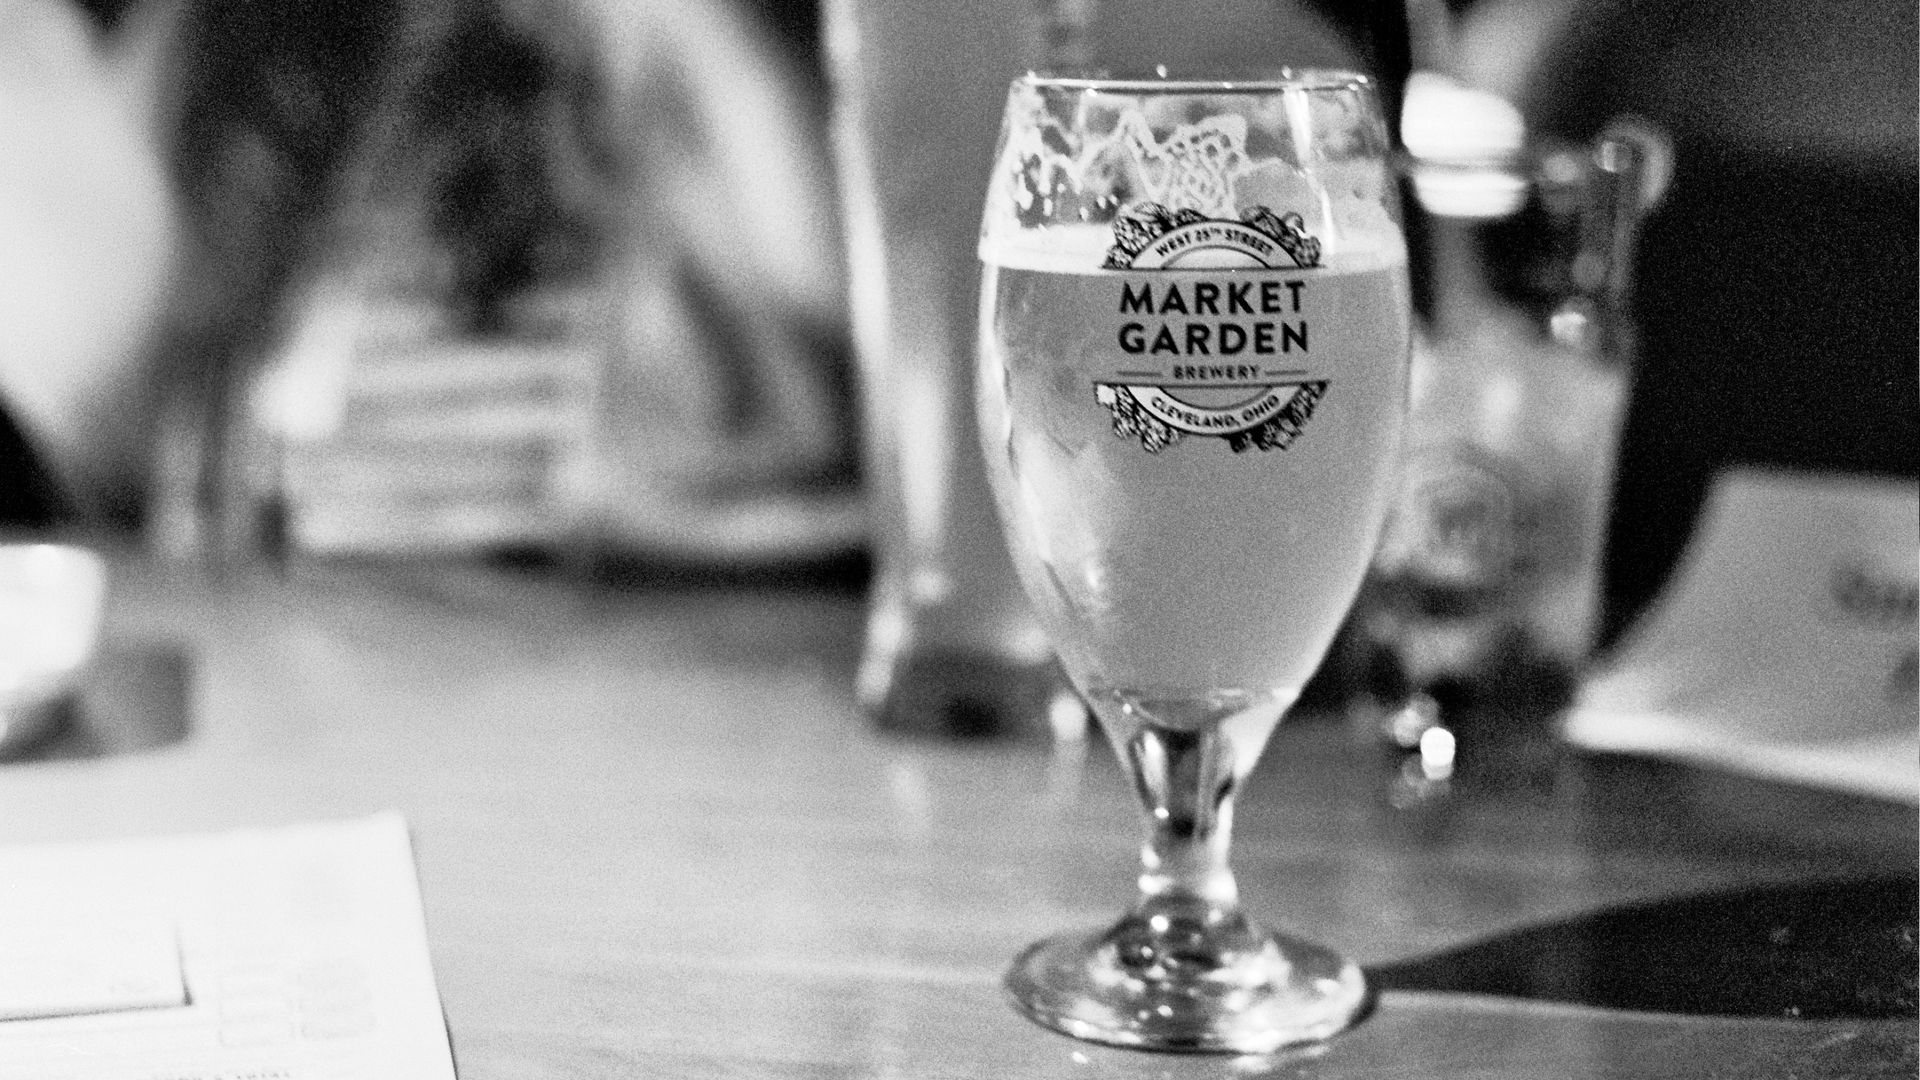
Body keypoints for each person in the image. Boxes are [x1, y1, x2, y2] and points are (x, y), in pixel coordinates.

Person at [0, 0, 858, 564]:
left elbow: (825, 288)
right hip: (286, 641)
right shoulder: (233, 44)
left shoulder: (631, 50)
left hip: (594, 640)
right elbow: (111, 406)